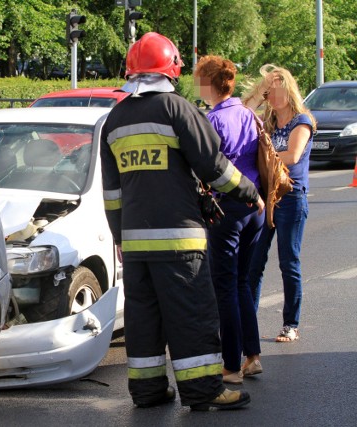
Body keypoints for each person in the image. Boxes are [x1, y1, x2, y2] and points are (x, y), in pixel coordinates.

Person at [100, 33, 264, 411]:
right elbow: (214, 167)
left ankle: (148, 391)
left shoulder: (116, 118)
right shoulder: (177, 110)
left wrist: (119, 238)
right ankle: (203, 391)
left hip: (136, 244)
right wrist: (249, 192)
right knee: (192, 315)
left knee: (144, 319)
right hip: (179, 241)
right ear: (171, 68)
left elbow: (112, 193)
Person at [194, 55, 264, 384]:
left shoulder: (212, 121)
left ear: (208, 84)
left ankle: (231, 366)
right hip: (255, 207)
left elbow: (206, 168)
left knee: (225, 288)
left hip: (226, 208)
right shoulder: (249, 114)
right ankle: (252, 355)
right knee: (242, 285)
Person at [243, 64, 316, 342]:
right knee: (254, 262)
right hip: (266, 196)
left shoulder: (302, 121)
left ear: (288, 90)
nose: (271, 97)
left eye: (275, 91)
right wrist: (260, 89)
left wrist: (263, 157)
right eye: (268, 92)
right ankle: (247, 320)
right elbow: (243, 110)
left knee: (289, 262)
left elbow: (293, 156)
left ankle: (290, 324)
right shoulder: (268, 121)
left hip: (291, 197)